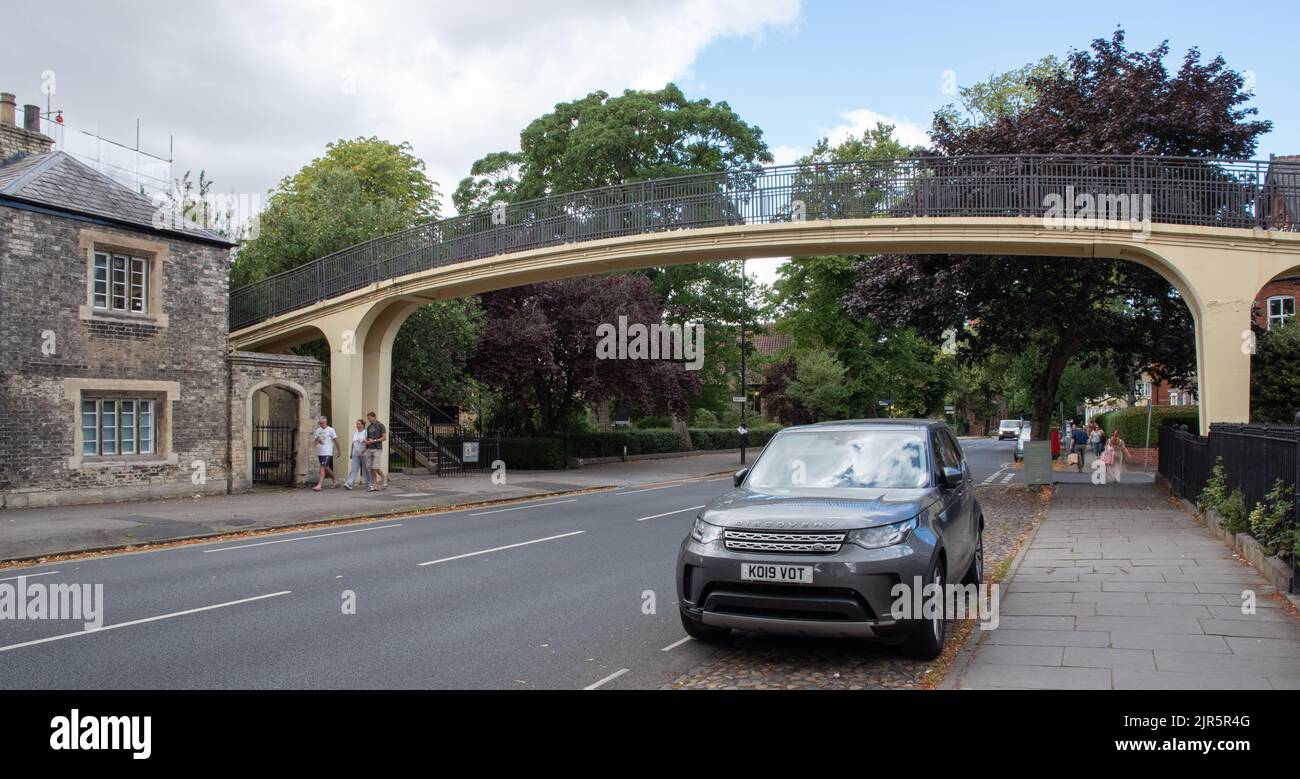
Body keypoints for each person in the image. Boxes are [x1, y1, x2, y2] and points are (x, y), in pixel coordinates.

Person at [311, 415, 339, 491]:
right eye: (319, 423)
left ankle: (319, 485)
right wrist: (311, 448)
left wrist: (339, 451)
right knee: (327, 468)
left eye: (322, 422)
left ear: (325, 421)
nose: (320, 424)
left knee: (322, 469)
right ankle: (335, 481)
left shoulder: (331, 430)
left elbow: (336, 441)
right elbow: (316, 440)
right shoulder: (318, 430)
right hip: (320, 452)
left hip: (327, 452)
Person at [343, 418, 371, 491]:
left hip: (364, 454)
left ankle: (369, 484)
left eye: (359, 424)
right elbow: (353, 443)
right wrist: (351, 453)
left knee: (366, 469)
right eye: (357, 424)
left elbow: (368, 443)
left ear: (362, 425)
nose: (357, 425)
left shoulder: (365, 432)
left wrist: (364, 451)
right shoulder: (354, 433)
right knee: (354, 469)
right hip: (355, 453)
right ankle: (349, 483)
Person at [364, 411, 388, 491]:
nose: (369, 420)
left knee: (376, 467)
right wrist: (367, 442)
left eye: (370, 418)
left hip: (377, 448)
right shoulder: (369, 427)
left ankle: (384, 479)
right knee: (370, 468)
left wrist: (374, 440)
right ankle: (375, 485)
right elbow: (368, 438)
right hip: (369, 448)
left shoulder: (380, 425)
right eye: (368, 419)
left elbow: (384, 437)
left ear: (374, 417)